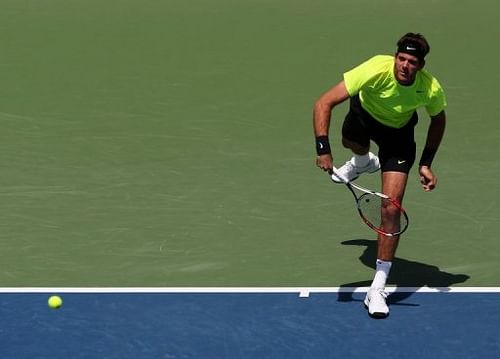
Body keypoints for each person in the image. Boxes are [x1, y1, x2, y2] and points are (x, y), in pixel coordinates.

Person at [312, 33, 447, 318]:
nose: (405, 66)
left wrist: (426, 163)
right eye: (401, 59)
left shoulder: (430, 88)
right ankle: (362, 161)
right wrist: (323, 149)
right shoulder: (375, 68)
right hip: (363, 118)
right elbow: (323, 103)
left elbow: (438, 120)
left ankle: (378, 287)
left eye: (412, 62)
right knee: (352, 142)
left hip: (398, 137)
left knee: (391, 206)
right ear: (395, 57)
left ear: (420, 66)